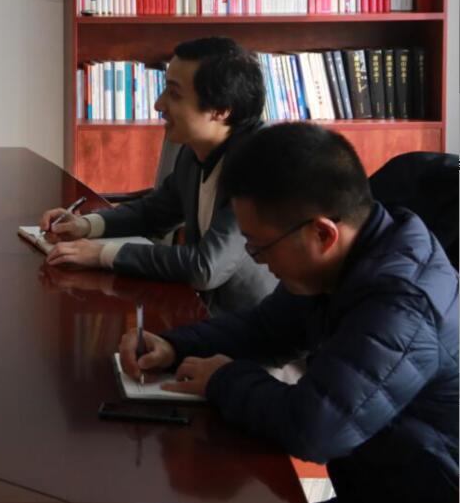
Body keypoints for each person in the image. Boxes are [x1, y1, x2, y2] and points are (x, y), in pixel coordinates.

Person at [120, 122, 458, 503]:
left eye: (260, 247)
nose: (257, 260)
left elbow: (317, 428)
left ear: (322, 234)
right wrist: (173, 345)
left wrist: (223, 379)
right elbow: (267, 328)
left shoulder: (402, 303)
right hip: (380, 479)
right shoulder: (347, 257)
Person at [40, 36, 276, 313]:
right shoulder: (194, 151)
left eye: (174, 94)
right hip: (206, 314)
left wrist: (102, 254)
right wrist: (85, 225)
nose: (158, 104)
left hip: (255, 326)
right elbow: (154, 212)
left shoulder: (259, 164)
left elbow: (206, 266)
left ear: (221, 110)